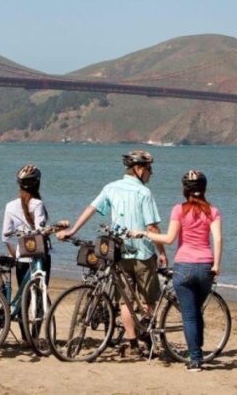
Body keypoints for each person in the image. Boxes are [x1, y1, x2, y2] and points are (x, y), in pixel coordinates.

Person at [58, 150, 167, 355]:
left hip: (119, 253)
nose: (151, 173)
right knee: (148, 299)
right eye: (149, 169)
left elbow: (91, 209)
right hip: (143, 253)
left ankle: (132, 343)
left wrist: (73, 231)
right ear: (139, 169)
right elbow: (152, 227)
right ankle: (148, 339)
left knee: (125, 300)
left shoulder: (111, 188)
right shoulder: (144, 193)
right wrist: (162, 252)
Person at [130, 170, 223, 372]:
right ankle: (198, 350)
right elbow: (217, 238)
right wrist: (216, 264)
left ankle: (195, 360)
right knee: (196, 311)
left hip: (184, 267)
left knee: (189, 315)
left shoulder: (179, 210)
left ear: (184, 189)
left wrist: (143, 234)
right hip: (206, 266)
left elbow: (169, 239)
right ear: (204, 189)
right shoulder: (213, 211)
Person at [2, 164, 53, 286]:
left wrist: (15, 255)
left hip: (22, 257)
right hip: (39, 257)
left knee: (24, 294)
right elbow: (40, 231)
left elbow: (5, 237)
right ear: (37, 184)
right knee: (40, 292)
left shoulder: (10, 206)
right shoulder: (37, 204)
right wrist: (57, 229)